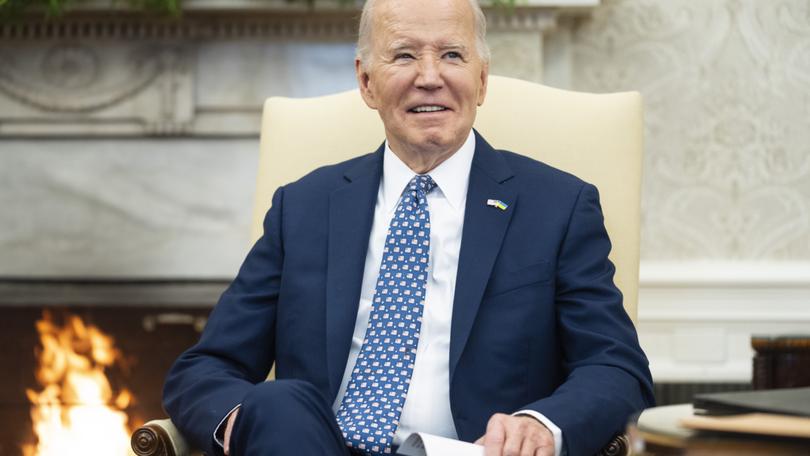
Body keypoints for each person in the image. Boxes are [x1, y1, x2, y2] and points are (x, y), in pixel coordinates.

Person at [163, 0, 655, 454]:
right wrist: (245, 426)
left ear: (482, 80)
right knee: (276, 403)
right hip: (314, 446)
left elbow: (615, 367)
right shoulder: (304, 207)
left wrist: (540, 424)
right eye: (402, 55)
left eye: (452, 55)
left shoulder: (558, 207)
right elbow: (205, 368)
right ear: (366, 82)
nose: (429, 77)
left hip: (467, 452)